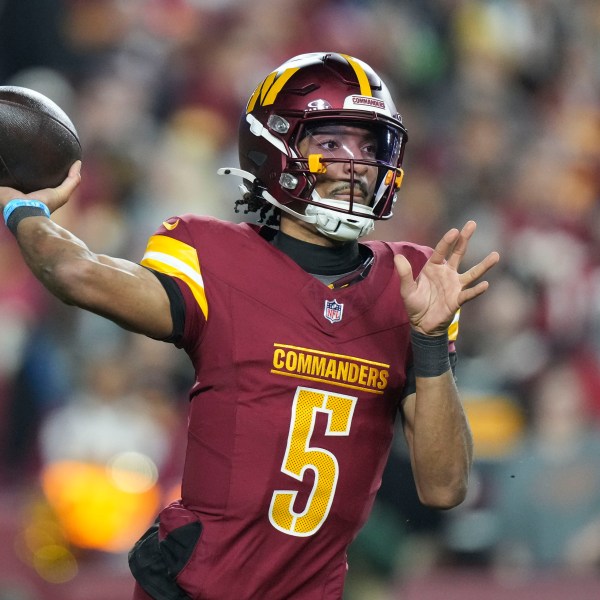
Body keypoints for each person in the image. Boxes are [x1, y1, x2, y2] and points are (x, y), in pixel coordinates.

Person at [0, 52, 499, 599]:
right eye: (331, 142)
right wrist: (23, 210)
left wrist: (428, 341)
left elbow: (445, 486)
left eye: (369, 145)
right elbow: (76, 272)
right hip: (196, 589)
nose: (355, 162)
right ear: (276, 147)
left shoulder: (410, 282)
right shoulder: (212, 255)